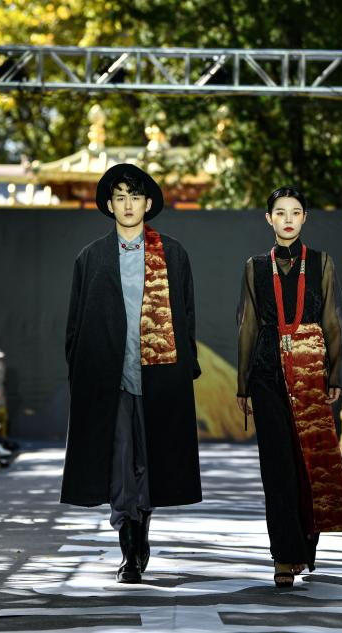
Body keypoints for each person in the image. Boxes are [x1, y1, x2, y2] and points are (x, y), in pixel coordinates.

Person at [61, 163, 202, 585]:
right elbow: (75, 325)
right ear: (109, 204)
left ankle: (142, 529)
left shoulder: (173, 254)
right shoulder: (91, 257)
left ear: (148, 203)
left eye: (135, 197)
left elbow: (187, 316)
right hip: (110, 378)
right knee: (120, 463)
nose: (127, 204)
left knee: (150, 463)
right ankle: (129, 547)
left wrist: (185, 369)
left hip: (159, 376)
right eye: (120, 197)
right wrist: (81, 373)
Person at [236, 185, 342, 588]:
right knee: (276, 468)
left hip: (310, 371)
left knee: (310, 464)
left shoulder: (321, 262)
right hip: (267, 371)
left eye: (295, 212)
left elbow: (333, 319)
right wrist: (243, 384)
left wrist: (336, 374)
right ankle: (284, 556)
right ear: (268, 219)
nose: (288, 219)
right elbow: (247, 326)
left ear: (304, 217)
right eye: (280, 212)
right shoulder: (255, 266)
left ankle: (306, 547)